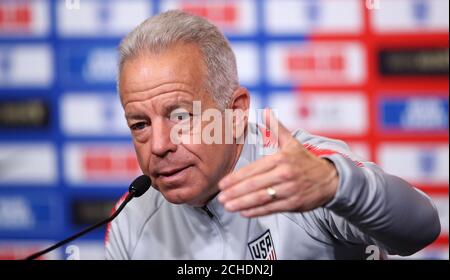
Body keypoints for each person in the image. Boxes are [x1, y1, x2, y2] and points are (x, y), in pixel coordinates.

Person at [105, 10, 440, 260]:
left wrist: (335, 186)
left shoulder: (304, 174)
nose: (160, 145)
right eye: (140, 125)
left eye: (180, 116)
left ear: (235, 113)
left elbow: (421, 228)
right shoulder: (132, 216)